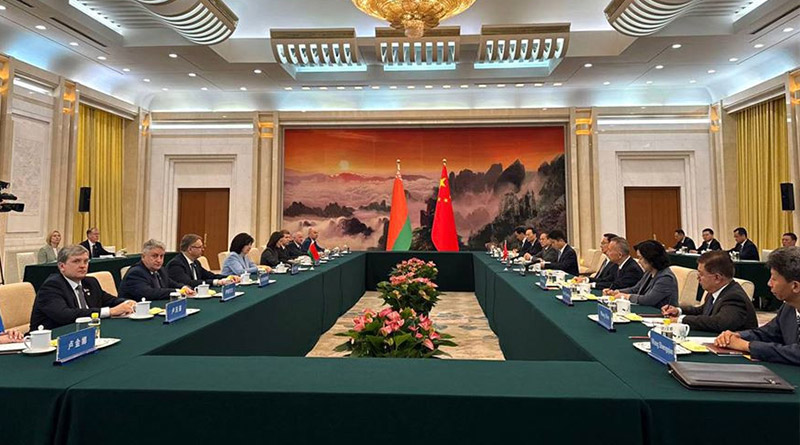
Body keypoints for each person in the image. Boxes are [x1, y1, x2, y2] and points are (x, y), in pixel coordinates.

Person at [715, 247, 800, 365]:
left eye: (774, 279)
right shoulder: (788, 308)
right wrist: (738, 335)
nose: (769, 283)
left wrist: (747, 346)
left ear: (795, 286)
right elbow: (768, 333)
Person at [29, 245, 136, 330]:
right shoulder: (52, 286)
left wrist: (127, 302)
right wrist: (109, 311)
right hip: (51, 339)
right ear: (62, 266)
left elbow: (110, 300)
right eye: (76, 261)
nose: (82, 266)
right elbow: (65, 315)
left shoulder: (90, 282)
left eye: (85, 261)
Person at [661, 250, 757, 333]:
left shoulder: (734, 297)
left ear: (717, 278)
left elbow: (719, 322)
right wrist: (678, 311)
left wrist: (682, 320)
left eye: (701, 274)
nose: (698, 278)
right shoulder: (716, 291)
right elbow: (703, 310)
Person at [608, 240, 678, 308]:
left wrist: (627, 296)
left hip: (660, 313)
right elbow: (636, 289)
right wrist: (617, 292)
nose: (639, 261)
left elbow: (649, 300)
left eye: (640, 258)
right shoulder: (649, 272)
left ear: (650, 259)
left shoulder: (666, 278)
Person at [119, 239, 195, 301]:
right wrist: (176, 291)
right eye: (154, 256)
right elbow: (149, 293)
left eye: (161, 256)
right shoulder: (136, 273)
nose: (159, 260)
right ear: (143, 257)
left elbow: (171, 283)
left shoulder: (161, 270)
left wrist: (183, 287)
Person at [166, 234, 237, 288]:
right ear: (190, 249)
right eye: (200, 247)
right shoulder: (176, 264)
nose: (203, 249)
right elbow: (189, 283)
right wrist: (216, 282)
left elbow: (210, 276)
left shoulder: (196, 262)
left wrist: (228, 277)